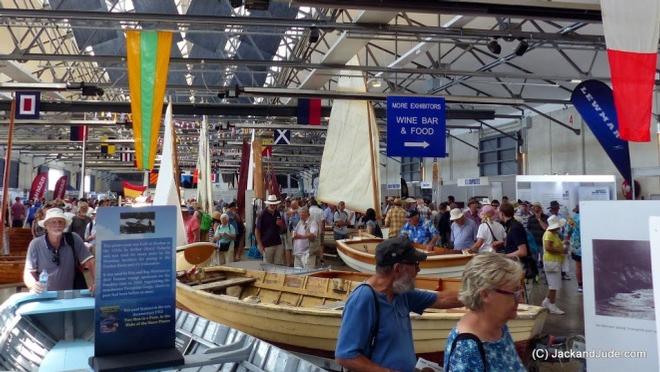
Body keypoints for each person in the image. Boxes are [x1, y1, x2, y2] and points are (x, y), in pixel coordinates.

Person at [336, 237, 462, 371]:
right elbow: (345, 356)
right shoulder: (364, 299)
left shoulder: (401, 292)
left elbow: (441, 299)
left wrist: (478, 295)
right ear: (398, 268)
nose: (418, 270)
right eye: (415, 264)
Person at [444, 253, 526, 371]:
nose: (521, 300)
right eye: (514, 293)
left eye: (520, 292)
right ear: (485, 294)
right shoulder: (466, 350)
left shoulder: (498, 324)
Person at [23, 208, 96, 292]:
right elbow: (28, 272)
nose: (57, 225)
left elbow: (90, 262)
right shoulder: (35, 244)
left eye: (60, 222)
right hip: (44, 296)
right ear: (46, 226)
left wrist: (96, 283)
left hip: (69, 296)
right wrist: (33, 285)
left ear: (65, 225)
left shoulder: (73, 239)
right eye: (53, 222)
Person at [542, 215, 566, 314]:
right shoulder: (549, 234)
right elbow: (548, 248)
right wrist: (561, 249)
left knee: (553, 284)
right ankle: (552, 305)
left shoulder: (553, 234)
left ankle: (547, 302)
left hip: (554, 261)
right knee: (554, 286)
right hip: (551, 261)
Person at [255, 195, 286, 264]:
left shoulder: (277, 213)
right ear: (268, 204)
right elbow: (257, 230)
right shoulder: (262, 214)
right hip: (267, 244)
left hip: (277, 243)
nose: (272, 206)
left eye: (274, 204)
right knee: (268, 266)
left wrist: (281, 225)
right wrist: (260, 245)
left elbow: (282, 229)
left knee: (278, 265)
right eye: (271, 204)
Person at [565, 205, 582, 292]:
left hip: (576, 246)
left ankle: (580, 285)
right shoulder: (588, 217)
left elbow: (567, 232)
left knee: (578, 265)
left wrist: (566, 243)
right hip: (587, 244)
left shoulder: (572, 219)